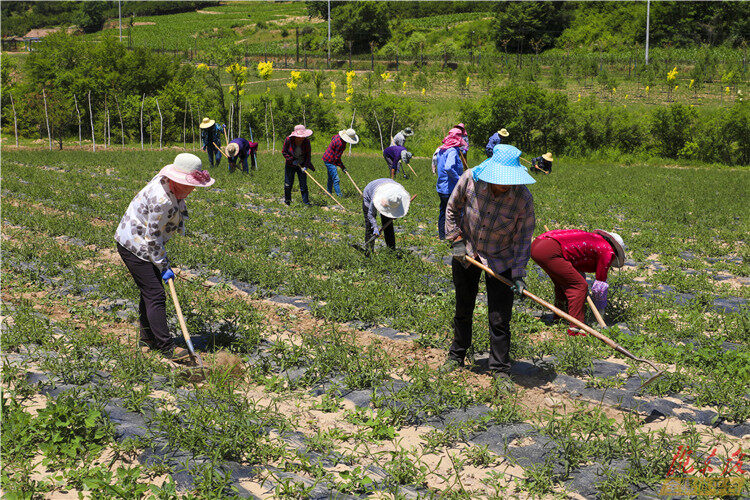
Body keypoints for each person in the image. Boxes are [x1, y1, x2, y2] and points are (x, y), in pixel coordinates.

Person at [443, 144, 536, 387]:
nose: (504, 185)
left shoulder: (523, 199)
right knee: (463, 306)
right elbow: (452, 208)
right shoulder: (471, 179)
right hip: (468, 251)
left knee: (499, 317)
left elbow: (523, 238)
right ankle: (457, 354)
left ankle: (500, 368)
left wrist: (518, 274)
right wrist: (456, 241)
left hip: (501, 258)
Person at [115, 153, 215, 361]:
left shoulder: (166, 182)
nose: (193, 189)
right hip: (135, 244)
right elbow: (152, 239)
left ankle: (148, 339)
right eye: (190, 184)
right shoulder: (162, 200)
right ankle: (166, 347)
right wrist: (163, 266)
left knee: (149, 291)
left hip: (140, 240)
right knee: (156, 294)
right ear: (176, 180)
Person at [530, 229, 625, 335]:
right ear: (616, 251)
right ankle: (576, 328)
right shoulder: (608, 251)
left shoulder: (594, 240)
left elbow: (574, 257)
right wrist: (600, 311)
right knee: (579, 286)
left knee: (563, 283)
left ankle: (560, 317)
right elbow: (600, 286)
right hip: (550, 250)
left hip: (538, 244)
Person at [362, 178, 411, 255]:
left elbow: (402, 205)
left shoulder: (397, 195)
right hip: (370, 191)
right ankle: (369, 252)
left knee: (388, 224)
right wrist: (375, 227)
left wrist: (396, 214)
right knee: (369, 225)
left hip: (387, 186)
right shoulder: (376, 197)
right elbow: (370, 214)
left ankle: (391, 251)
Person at [435, 127, 468, 239]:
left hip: (441, 187)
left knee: (443, 212)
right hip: (450, 188)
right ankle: (455, 237)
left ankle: (442, 237)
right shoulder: (452, 151)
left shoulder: (442, 149)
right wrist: (459, 179)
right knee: (455, 213)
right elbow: (448, 167)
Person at [282, 124, 314, 206]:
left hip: (302, 164)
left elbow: (308, 155)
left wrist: (306, 166)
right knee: (288, 184)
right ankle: (287, 201)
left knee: (303, 184)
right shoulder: (288, 140)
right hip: (290, 165)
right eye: (300, 137)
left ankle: (306, 202)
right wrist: (292, 160)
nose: (301, 138)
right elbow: (284, 152)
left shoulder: (306, 142)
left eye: (303, 137)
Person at [322, 128, 359, 196]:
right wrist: (343, 167)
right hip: (330, 160)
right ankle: (339, 196)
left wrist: (341, 166)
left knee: (331, 177)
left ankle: (328, 193)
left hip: (327, 157)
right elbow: (337, 158)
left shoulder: (337, 136)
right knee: (336, 179)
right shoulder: (341, 144)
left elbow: (332, 138)